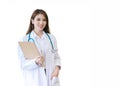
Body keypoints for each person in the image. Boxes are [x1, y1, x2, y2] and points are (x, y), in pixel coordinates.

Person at [18, 9, 61, 86]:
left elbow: (56, 56)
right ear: (32, 21)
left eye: (44, 20)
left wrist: (57, 69)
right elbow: (23, 64)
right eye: (38, 19)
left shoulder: (51, 38)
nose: (41, 22)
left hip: (51, 78)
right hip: (35, 80)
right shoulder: (25, 40)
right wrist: (35, 62)